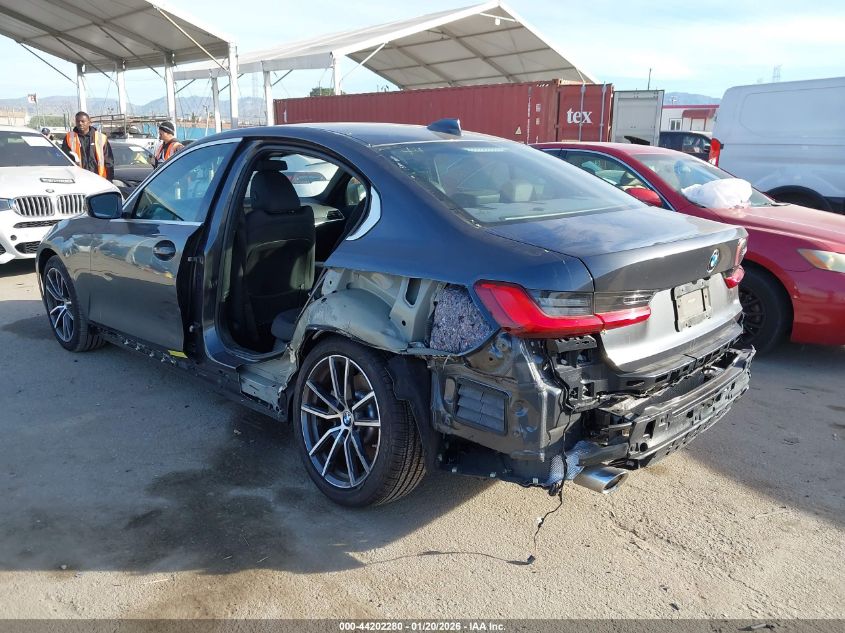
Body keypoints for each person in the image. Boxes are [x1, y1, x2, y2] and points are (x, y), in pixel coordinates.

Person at [61, 111, 114, 181]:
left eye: (83, 121)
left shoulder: (101, 137)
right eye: (78, 121)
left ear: (89, 122)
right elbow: (65, 159)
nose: (80, 123)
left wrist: (110, 179)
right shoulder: (69, 137)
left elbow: (109, 160)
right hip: (79, 178)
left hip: (99, 178)